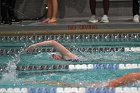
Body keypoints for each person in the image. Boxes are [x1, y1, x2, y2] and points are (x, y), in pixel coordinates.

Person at [24, 72, 140, 87]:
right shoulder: (134, 76)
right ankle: (38, 82)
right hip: (102, 86)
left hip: (105, 84)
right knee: (69, 85)